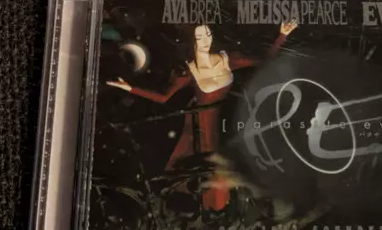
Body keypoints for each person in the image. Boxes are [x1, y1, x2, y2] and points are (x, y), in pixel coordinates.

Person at [107, 21, 298, 212]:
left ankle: (247, 205)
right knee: (209, 167)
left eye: (207, 35)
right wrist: (130, 88)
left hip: (227, 120)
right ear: (194, 41)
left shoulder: (227, 59)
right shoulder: (190, 70)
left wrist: (281, 35)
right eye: (200, 37)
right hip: (203, 125)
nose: (205, 41)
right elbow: (163, 97)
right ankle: (209, 208)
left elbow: (262, 61)